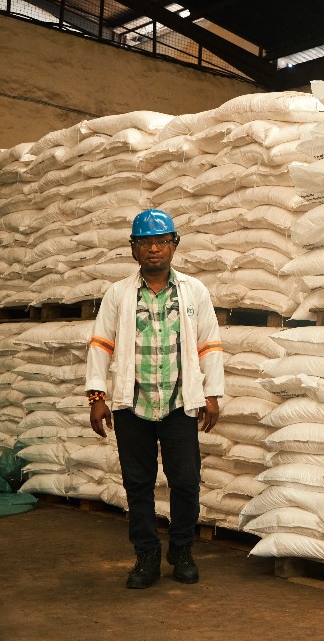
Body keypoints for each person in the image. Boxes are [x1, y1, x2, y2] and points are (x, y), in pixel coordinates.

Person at [86, 209, 224, 589]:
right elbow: (101, 344)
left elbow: (209, 343)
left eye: (161, 241)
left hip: (180, 402)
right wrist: (97, 395)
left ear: (174, 245)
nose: (153, 249)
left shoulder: (194, 291)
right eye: (144, 242)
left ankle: (181, 550)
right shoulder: (119, 294)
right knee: (138, 483)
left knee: (185, 482)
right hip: (133, 403)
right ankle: (145, 555)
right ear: (133, 249)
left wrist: (211, 393)